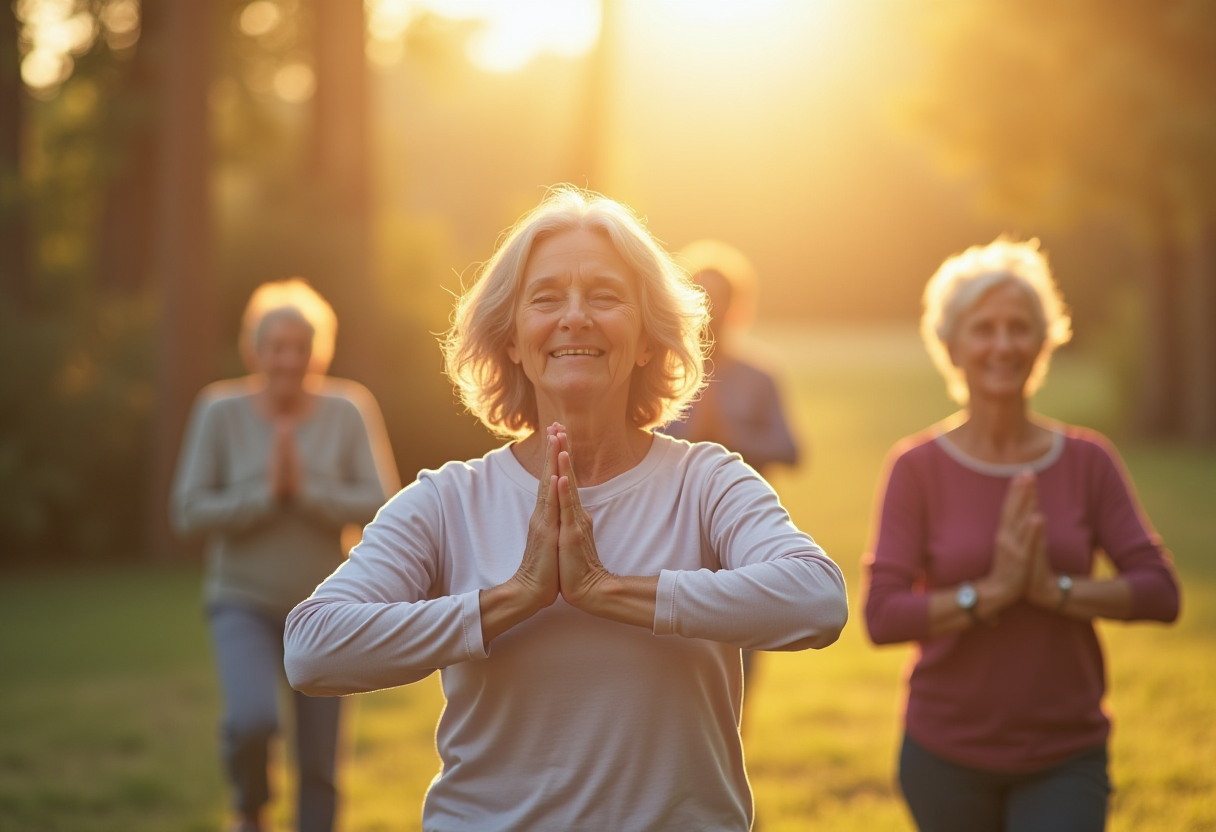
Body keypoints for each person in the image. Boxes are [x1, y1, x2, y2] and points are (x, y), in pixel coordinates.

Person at [283, 187, 849, 832]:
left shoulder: (708, 481)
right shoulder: (447, 500)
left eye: (605, 296)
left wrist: (612, 593)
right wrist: (514, 599)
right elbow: (312, 649)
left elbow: (817, 600)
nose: (574, 317)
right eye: (546, 298)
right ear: (513, 342)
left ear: (645, 339)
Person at [863, 238, 1181, 832]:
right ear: (952, 346)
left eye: (1019, 327)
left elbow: (1161, 592)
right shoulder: (916, 467)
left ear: (1043, 342)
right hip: (944, 754)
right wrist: (990, 594)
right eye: (984, 328)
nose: (1003, 344)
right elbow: (882, 616)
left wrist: (1053, 590)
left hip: (1065, 752)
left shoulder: (1089, 461)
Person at [171, 278, 400, 832]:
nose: (290, 360)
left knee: (321, 762)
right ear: (255, 350)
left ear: (318, 352)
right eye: (278, 347)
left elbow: (381, 501)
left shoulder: (349, 408)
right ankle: (250, 811)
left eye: (302, 347)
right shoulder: (218, 411)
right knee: (251, 721)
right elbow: (188, 510)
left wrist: (306, 492)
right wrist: (264, 496)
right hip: (241, 601)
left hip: (327, 607)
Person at [664, 240, 801, 686]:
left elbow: (790, 449)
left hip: (741, 537)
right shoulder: (659, 378)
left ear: (737, 307)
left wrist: (729, 437)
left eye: (720, 301)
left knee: (740, 666)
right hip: (673, 534)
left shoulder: (760, 375)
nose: (711, 313)